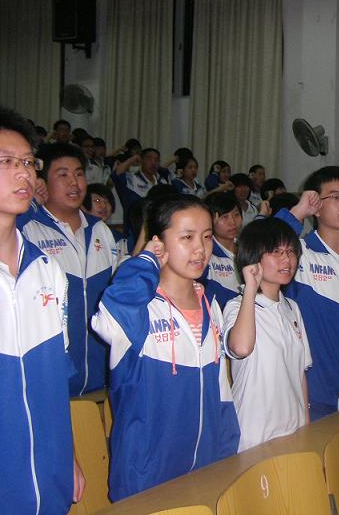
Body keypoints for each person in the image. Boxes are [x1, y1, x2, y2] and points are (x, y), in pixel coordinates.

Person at [91, 194, 240, 501]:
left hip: (207, 469)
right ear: (158, 244)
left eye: (207, 237)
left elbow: (222, 392)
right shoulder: (141, 307)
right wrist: (144, 262)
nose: (200, 249)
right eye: (187, 237)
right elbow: (107, 321)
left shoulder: (210, 305)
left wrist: (226, 453)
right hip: (148, 477)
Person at [0, 104, 85, 512]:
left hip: (50, 477)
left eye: (29, 162)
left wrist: (69, 454)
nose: (24, 173)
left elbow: (54, 378)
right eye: (5, 162)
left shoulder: (49, 272)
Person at [18, 144, 120, 395]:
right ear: (42, 182)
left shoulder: (101, 230)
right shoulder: (28, 229)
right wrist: (30, 206)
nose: (74, 182)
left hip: (102, 378)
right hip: (50, 380)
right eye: (62, 174)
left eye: (79, 174)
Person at [275, 166, 339, 420]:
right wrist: (298, 211)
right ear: (316, 207)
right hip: (312, 397)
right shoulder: (301, 255)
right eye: (336, 197)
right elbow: (265, 245)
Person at [223, 217, 312, 451]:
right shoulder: (236, 306)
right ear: (254, 258)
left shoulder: (292, 308)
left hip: (294, 430)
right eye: (276, 252)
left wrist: (306, 423)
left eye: (291, 251)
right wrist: (251, 289)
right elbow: (241, 348)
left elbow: (300, 372)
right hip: (254, 436)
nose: (287, 259)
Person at [202, 192, 243, 309]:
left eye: (236, 214)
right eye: (224, 217)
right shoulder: (206, 254)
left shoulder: (248, 248)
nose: (232, 222)